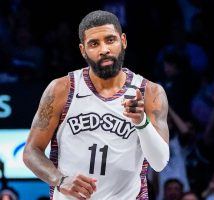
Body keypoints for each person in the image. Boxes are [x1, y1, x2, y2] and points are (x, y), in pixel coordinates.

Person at [23, 10, 169, 200]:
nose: (104, 49)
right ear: (83, 50)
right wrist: (60, 180)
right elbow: (31, 152)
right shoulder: (61, 89)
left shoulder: (150, 92)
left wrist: (141, 122)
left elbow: (159, 163)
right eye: (94, 44)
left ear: (123, 41)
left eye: (110, 40)